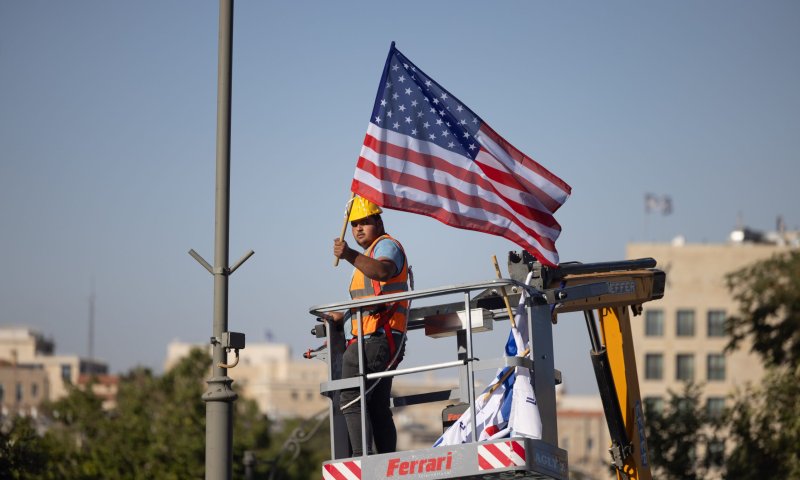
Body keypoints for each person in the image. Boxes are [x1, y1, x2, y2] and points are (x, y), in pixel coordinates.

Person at [329, 196, 409, 457]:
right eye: (354, 225)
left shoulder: (386, 247)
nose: (358, 229)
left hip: (376, 339)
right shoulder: (368, 255)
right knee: (375, 405)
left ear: (379, 221)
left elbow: (384, 272)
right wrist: (344, 316)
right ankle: (385, 460)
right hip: (380, 338)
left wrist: (349, 254)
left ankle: (361, 461)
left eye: (365, 222)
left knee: (350, 397)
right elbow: (370, 297)